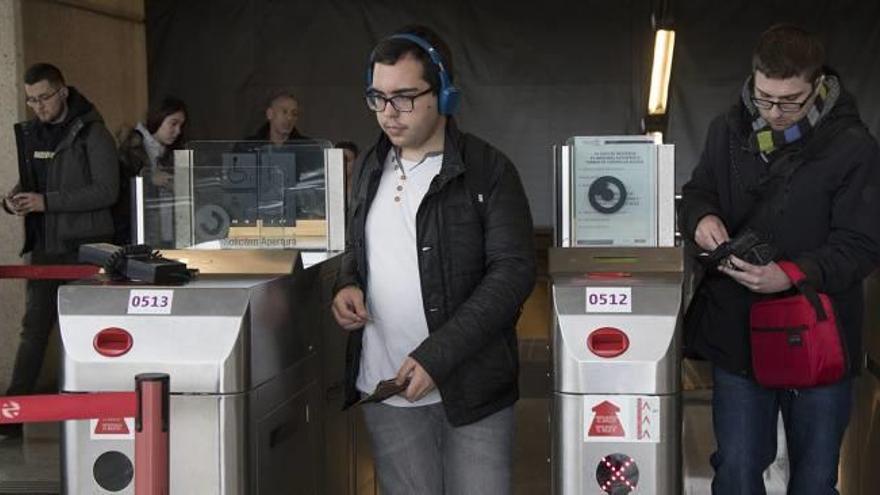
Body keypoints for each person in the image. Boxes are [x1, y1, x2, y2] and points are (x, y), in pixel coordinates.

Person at [331, 26, 535, 494]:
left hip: (473, 390)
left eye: (403, 98)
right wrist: (347, 284)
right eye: (377, 98)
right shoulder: (368, 166)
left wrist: (436, 358)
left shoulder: (489, 170)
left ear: (443, 94)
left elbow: (513, 272)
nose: (388, 113)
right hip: (386, 384)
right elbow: (359, 244)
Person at [679, 24, 880, 494]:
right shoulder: (727, 130)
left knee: (814, 480)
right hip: (739, 332)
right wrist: (701, 217)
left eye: (789, 101)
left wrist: (789, 274)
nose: (772, 111)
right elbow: (696, 192)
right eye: (763, 95)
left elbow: (863, 246)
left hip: (818, 336)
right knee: (737, 471)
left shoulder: (853, 148)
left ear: (818, 87)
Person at [0, 63, 118, 438]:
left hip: (87, 250)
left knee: (88, 333)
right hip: (46, 249)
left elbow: (106, 191)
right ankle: (10, 417)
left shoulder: (93, 133)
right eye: (31, 100)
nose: (38, 107)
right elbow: (33, 183)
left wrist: (46, 202)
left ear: (63, 91)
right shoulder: (34, 135)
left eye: (44, 98)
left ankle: (100, 412)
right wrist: (15, 201)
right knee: (33, 331)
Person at [115, 97, 187, 246]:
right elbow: (119, 192)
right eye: (173, 123)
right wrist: (148, 181)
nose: (178, 131)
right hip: (133, 235)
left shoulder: (174, 153)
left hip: (167, 235)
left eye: (181, 125)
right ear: (158, 118)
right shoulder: (128, 150)